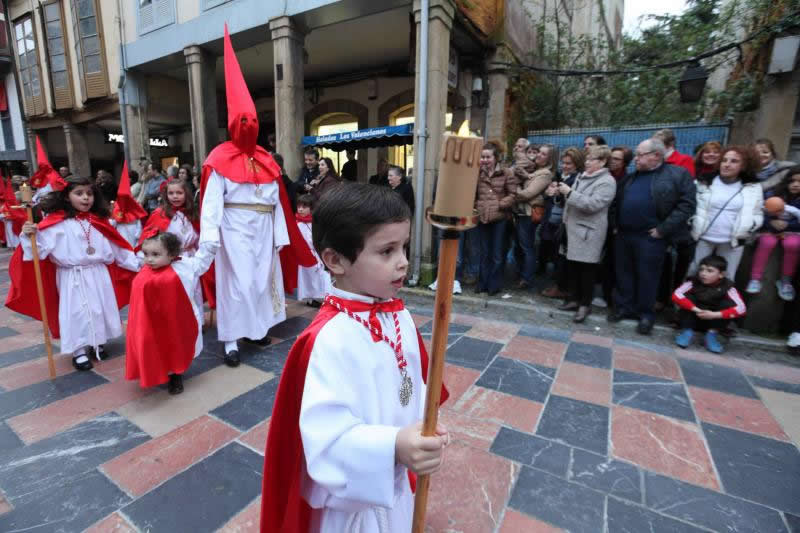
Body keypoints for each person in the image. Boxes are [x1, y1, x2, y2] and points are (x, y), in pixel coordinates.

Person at [260, 184, 449, 533]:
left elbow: (413, 382)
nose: (403, 261)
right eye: (387, 251)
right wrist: (394, 445)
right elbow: (326, 442)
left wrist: (426, 424)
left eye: (404, 247)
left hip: (397, 487)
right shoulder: (329, 339)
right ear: (335, 260)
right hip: (355, 511)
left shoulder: (397, 314)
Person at [199, 25, 315, 367]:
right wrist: (210, 240)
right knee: (236, 286)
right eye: (242, 119)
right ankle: (232, 339)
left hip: (264, 232)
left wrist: (281, 236)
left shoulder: (267, 160)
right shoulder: (218, 159)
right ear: (233, 122)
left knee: (264, 282)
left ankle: (257, 327)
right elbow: (211, 203)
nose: (248, 124)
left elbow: (278, 201)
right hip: (233, 232)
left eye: (253, 119)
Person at [7, 176, 140, 371]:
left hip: (98, 273)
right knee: (76, 312)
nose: (86, 198)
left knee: (99, 308)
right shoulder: (57, 224)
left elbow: (117, 248)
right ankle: (78, 350)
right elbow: (39, 250)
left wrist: (138, 264)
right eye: (79, 193)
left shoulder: (100, 222)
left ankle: (97, 342)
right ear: (67, 197)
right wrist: (29, 235)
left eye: (89, 193)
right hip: (72, 275)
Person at [610, 138, 696, 335]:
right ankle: (625, 308)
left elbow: (686, 205)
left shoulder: (676, 174)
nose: (636, 159)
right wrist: (615, 226)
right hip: (624, 235)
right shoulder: (631, 178)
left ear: (656, 156)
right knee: (624, 274)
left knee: (648, 277)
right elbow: (615, 204)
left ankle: (646, 314)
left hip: (651, 237)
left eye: (640, 155)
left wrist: (663, 230)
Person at [125, 232, 217, 395]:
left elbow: (202, 262)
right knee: (155, 347)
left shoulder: (185, 266)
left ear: (172, 254)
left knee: (175, 346)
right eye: (146, 254)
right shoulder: (144, 273)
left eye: (156, 254)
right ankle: (157, 370)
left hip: (175, 320)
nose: (149, 259)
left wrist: (210, 245)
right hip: (152, 322)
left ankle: (176, 374)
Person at [557, 145, 617, 322]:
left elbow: (593, 205)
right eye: (587, 159)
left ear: (603, 161)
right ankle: (574, 299)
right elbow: (571, 202)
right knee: (574, 267)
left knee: (587, 270)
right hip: (573, 228)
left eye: (592, 159)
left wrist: (569, 193)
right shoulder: (584, 176)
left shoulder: (607, 181)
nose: (587, 162)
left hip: (589, 232)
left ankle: (585, 305)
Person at [689, 146, 763, 280]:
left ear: (744, 165)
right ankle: (686, 301)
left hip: (733, 241)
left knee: (727, 277)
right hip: (702, 238)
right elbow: (690, 205)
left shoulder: (753, 186)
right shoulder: (704, 182)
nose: (727, 164)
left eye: (734, 161)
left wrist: (750, 225)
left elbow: (758, 214)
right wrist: (692, 222)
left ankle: (721, 301)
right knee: (694, 273)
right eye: (724, 160)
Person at [672, 254, 746, 354]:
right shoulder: (693, 282)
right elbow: (676, 295)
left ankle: (711, 335)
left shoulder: (728, 287)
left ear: (721, 274)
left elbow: (742, 308)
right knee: (688, 297)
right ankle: (687, 332)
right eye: (701, 269)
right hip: (693, 317)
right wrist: (696, 310)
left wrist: (714, 315)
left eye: (709, 271)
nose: (703, 273)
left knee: (727, 304)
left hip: (713, 321)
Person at [746, 166, 800, 301]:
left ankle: (785, 281)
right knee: (766, 242)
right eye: (792, 181)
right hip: (770, 230)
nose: (795, 185)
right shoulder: (773, 194)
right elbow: (760, 213)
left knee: (793, 245)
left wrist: (788, 225)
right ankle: (755, 279)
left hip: (792, 232)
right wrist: (771, 223)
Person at [541, 147, 584, 298]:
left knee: (562, 258)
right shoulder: (561, 177)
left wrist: (560, 194)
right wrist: (550, 193)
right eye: (563, 163)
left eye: (569, 164)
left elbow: (575, 201)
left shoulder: (578, 179)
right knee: (555, 255)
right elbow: (553, 199)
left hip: (566, 224)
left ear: (577, 164)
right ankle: (558, 285)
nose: (565, 166)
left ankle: (562, 288)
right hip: (554, 221)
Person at [476, 141, 517, 296]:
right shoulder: (478, 173)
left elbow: (513, 194)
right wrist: (478, 206)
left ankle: (494, 285)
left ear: (496, 158)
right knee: (484, 253)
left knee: (497, 254)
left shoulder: (507, 173)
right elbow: (473, 193)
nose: (485, 160)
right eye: (483, 157)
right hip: (483, 217)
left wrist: (500, 205)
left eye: (488, 157)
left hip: (500, 218)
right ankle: (482, 284)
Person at [513, 142, 553, 289]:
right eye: (538, 152)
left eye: (543, 154)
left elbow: (528, 194)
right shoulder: (534, 170)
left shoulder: (545, 174)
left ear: (550, 159)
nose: (538, 155)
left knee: (526, 246)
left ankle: (526, 278)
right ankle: (520, 273)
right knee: (518, 245)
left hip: (529, 213)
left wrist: (513, 188)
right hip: (520, 211)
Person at [137, 177, 200, 258]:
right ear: (166, 195)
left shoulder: (192, 212)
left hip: (192, 257)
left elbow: (200, 236)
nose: (175, 196)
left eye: (179, 193)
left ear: (186, 194)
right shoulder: (159, 214)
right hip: (169, 258)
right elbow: (148, 237)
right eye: (171, 193)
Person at [295, 194, 331, 306]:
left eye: (304, 207)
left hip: (317, 253)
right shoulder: (296, 223)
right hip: (305, 254)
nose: (300, 209)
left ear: (311, 208)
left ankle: (324, 296)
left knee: (321, 276)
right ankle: (311, 298)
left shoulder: (315, 222)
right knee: (308, 278)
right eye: (299, 206)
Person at [110, 162, 147, 247]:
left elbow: (139, 226)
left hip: (133, 233)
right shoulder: (116, 207)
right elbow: (112, 223)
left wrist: (138, 235)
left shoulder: (134, 209)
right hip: (120, 233)